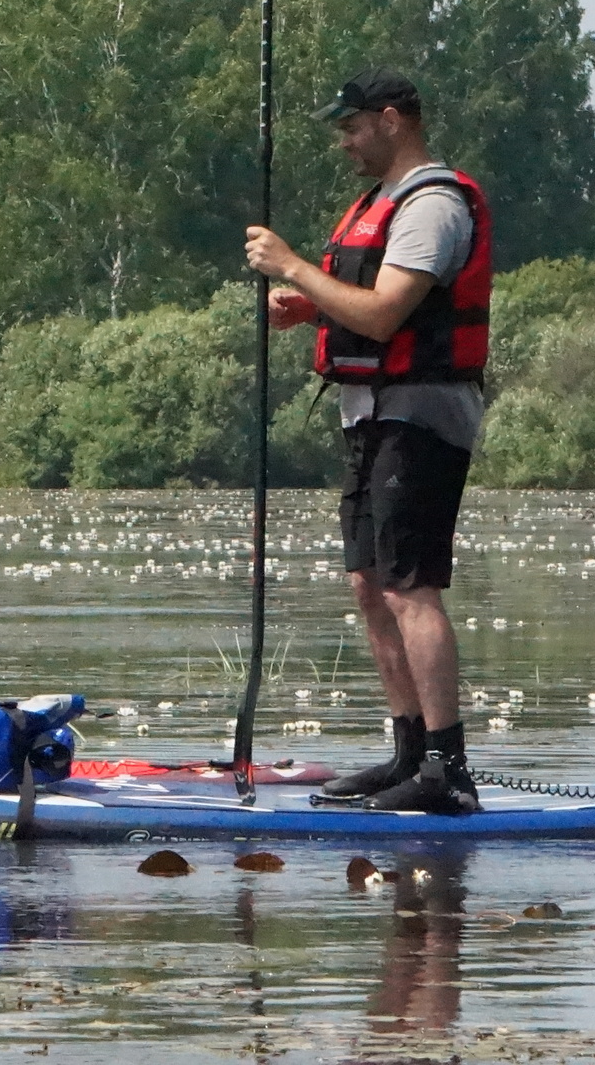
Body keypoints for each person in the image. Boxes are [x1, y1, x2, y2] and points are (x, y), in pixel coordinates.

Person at [243, 69, 492, 815]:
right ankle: (408, 750)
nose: (345, 143)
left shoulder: (432, 207)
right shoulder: (375, 205)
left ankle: (447, 766)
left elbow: (386, 315)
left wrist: (292, 266)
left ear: (391, 120)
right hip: (369, 411)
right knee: (368, 583)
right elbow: (367, 316)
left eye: (352, 128)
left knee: (411, 586)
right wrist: (313, 311)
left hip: (421, 416)